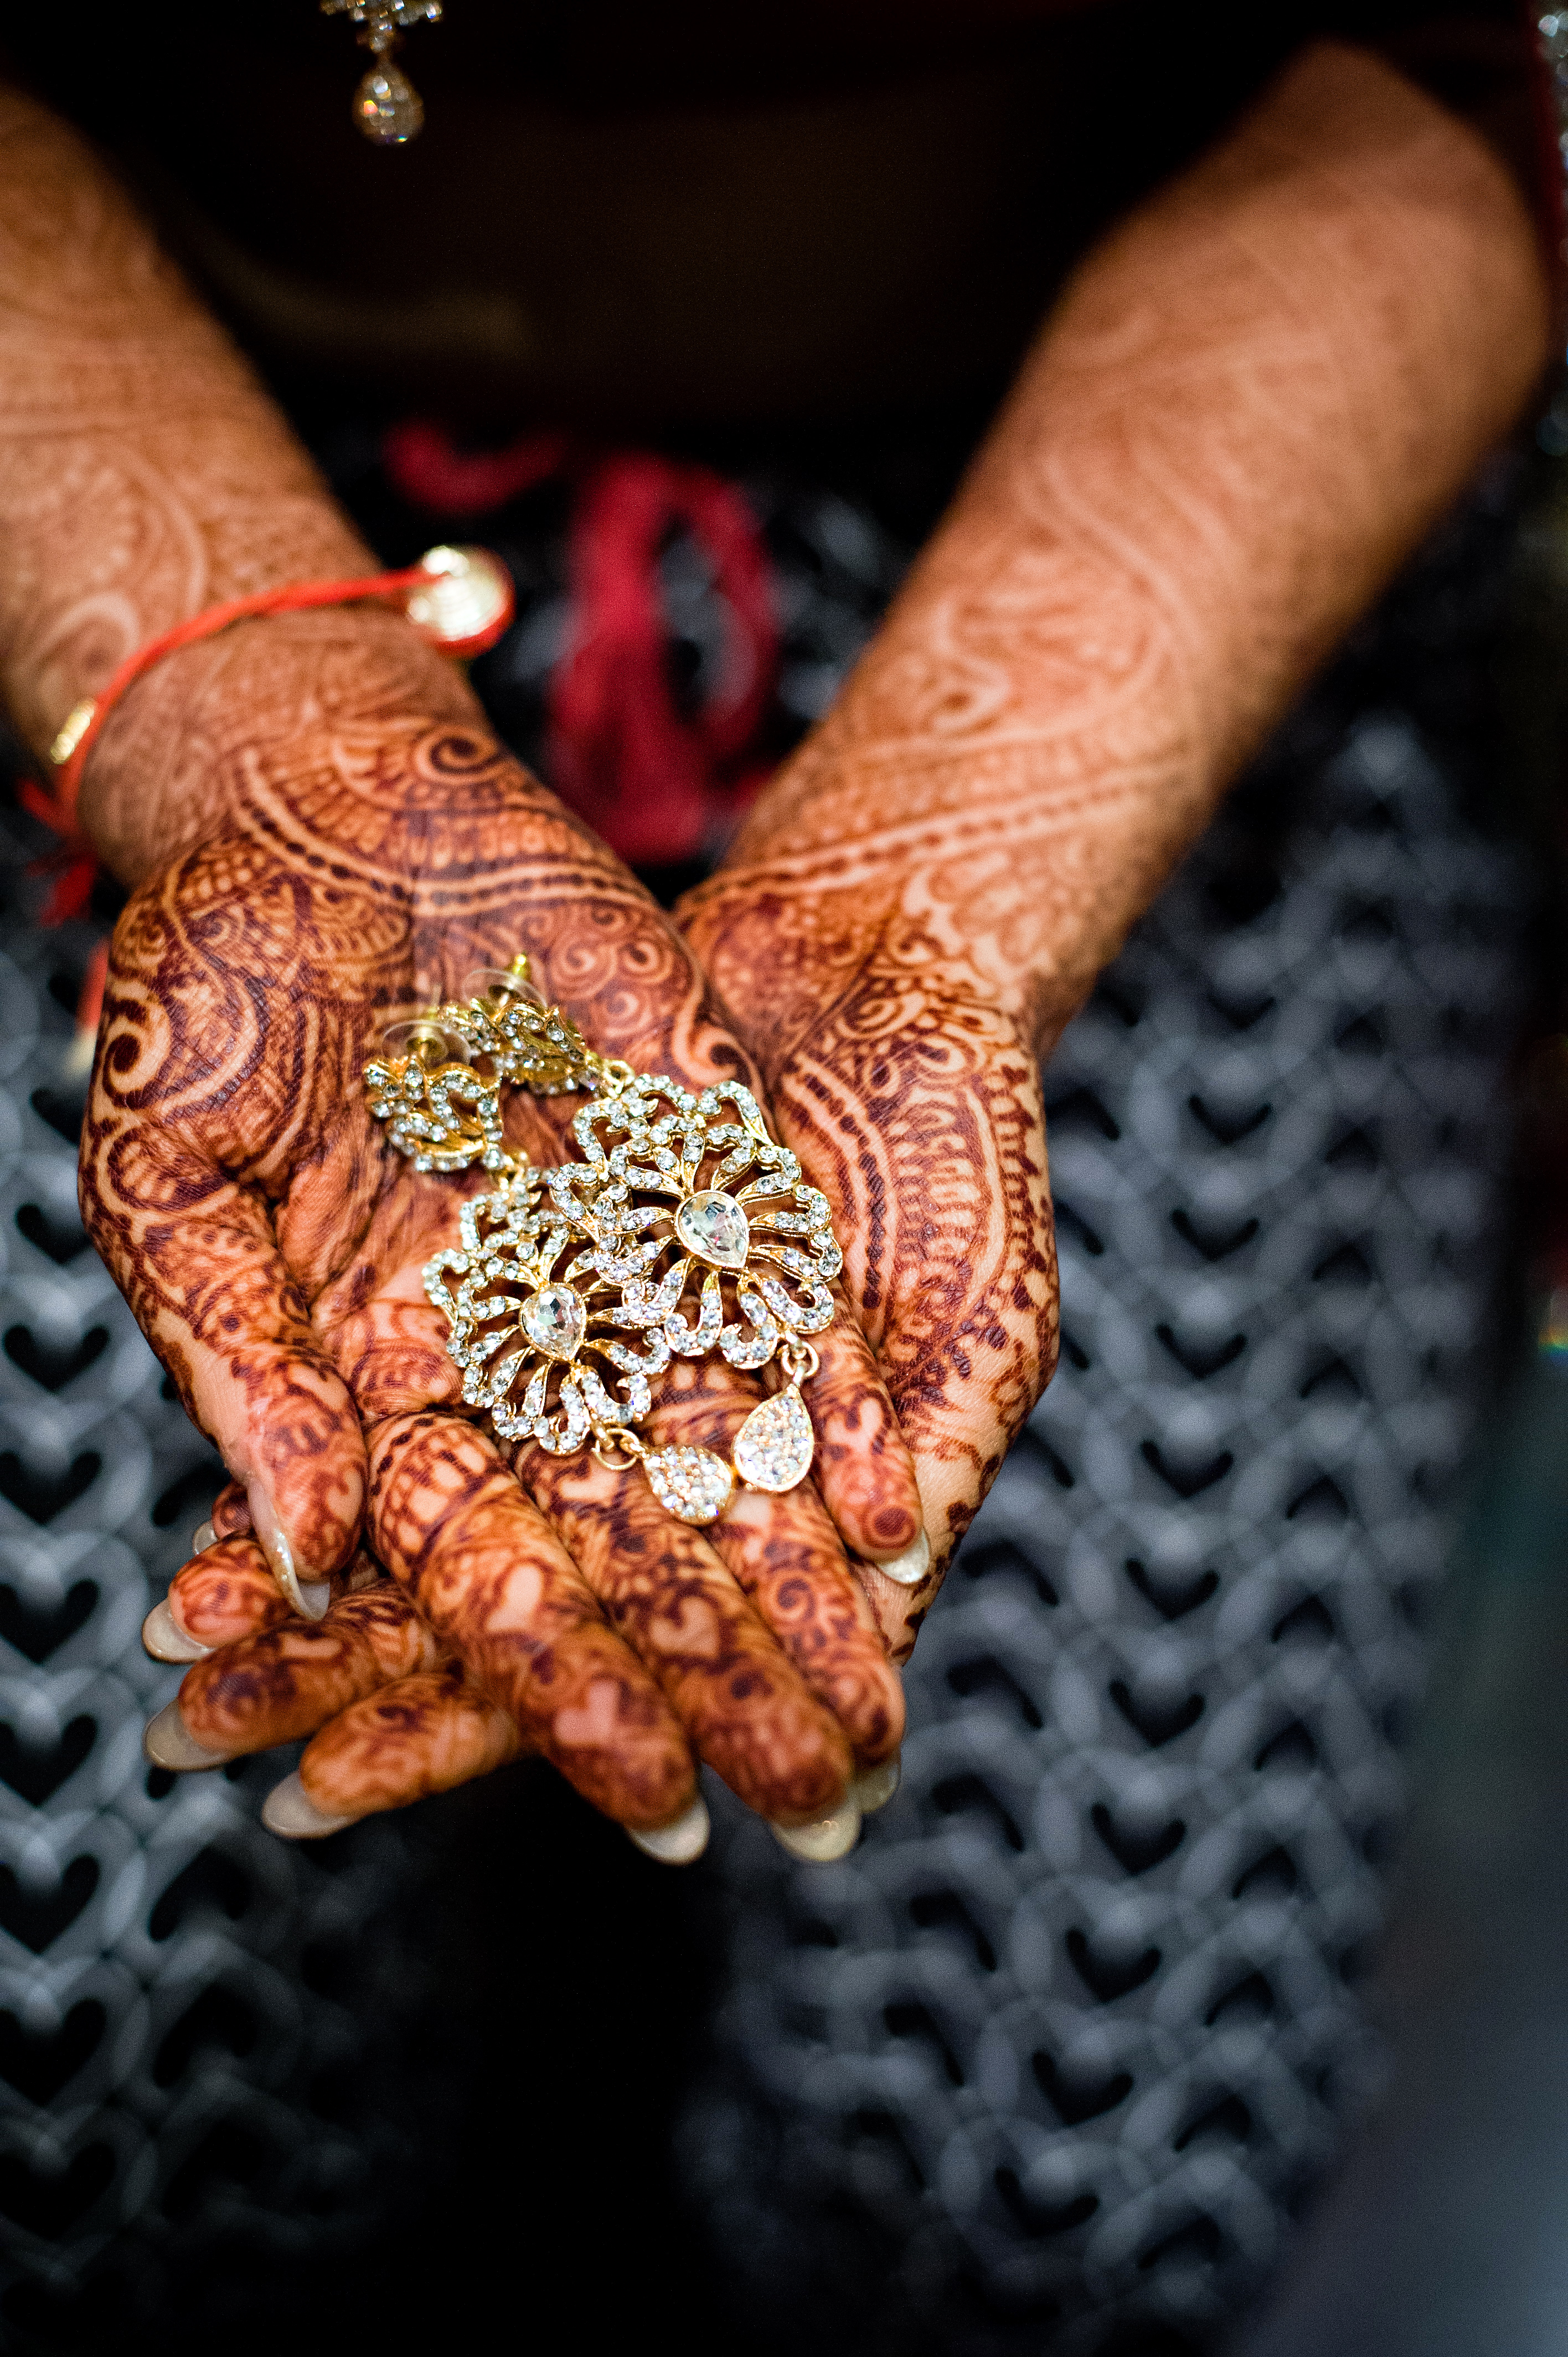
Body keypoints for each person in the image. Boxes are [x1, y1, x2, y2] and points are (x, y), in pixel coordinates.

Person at [0, 8, 1549, 1866]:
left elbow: (1494, 72)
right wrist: (253, 746)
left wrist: (939, 884)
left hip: (1167, 517)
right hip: (141, 462)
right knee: (111, 1983)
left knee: (1066, 1955)